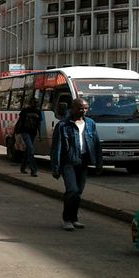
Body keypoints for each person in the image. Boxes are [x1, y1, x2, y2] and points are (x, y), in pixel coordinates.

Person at [50, 98, 102, 231]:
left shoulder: (90, 123)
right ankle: (67, 219)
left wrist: (98, 164)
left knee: (78, 192)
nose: (83, 111)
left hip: (83, 161)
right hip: (68, 162)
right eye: (80, 108)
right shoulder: (63, 125)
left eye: (85, 108)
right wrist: (55, 167)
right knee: (72, 190)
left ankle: (74, 218)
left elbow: (96, 144)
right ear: (72, 108)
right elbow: (56, 147)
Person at [15, 101, 42, 177]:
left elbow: (39, 124)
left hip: (32, 133)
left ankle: (23, 167)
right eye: (34, 103)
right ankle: (33, 170)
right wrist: (16, 131)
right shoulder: (25, 110)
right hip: (25, 132)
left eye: (37, 103)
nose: (36, 105)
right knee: (30, 149)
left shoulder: (38, 112)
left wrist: (40, 135)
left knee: (28, 151)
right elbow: (20, 121)